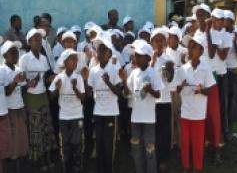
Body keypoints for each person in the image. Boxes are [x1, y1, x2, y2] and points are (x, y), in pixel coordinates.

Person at [119, 40, 164, 173]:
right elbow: (127, 93)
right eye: (135, 56)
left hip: (149, 119)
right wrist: (123, 80)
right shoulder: (134, 73)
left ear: (147, 58)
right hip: (135, 118)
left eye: (139, 56)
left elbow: (158, 95)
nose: (136, 58)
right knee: (136, 148)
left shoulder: (153, 73)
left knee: (149, 149)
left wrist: (150, 90)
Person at [176, 34, 216, 173]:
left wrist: (202, 90)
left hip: (199, 113)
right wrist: (181, 86)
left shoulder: (206, 68)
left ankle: (197, 167)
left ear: (201, 51)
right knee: (185, 141)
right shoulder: (182, 69)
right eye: (189, 47)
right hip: (186, 111)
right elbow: (177, 89)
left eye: (194, 47)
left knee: (198, 142)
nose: (191, 50)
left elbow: (210, 91)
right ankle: (186, 166)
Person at [19, 28, 57, 171]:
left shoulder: (43, 58)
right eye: (35, 40)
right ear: (29, 42)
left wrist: (50, 79)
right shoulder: (24, 59)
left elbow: (46, 79)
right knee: (36, 131)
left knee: (47, 128)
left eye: (40, 40)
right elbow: (20, 81)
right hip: (32, 98)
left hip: (43, 97)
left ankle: (48, 158)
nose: (39, 42)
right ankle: (40, 160)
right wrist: (28, 83)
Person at [193, 3, 223, 162]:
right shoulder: (196, 33)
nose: (200, 17)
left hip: (210, 77)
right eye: (198, 15)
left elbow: (211, 54)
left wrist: (209, 32)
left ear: (208, 16)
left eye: (203, 14)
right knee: (200, 113)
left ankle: (217, 146)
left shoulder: (215, 32)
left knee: (213, 114)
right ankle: (204, 143)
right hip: (197, 76)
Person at [87, 36, 121, 173]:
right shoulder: (93, 71)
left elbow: (119, 92)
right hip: (98, 112)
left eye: (103, 50)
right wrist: (85, 81)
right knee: (99, 144)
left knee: (108, 146)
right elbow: (89, 93)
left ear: (109, 53)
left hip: (110, 113)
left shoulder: (114, 69)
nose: (100, 53)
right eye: (98, 50)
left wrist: (108, 83)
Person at [49, 49, 85, 173]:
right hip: (64, 117)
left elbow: (83, 98)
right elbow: (51, 96)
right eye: (73, 59)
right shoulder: (59, 77)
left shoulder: (78, 77)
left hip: (77, 116)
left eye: (76, 59)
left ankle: (77, 169)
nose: (76, 62)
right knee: (65, 146)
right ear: (65, 62)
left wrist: (75, 88)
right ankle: (67, 169)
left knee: (77, 145)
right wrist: (58, 88)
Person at [150, 28, 177, 172]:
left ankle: (162, 158)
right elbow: (145, 77)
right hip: (151, 102)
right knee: (152, 131)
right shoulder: (148, 58)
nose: (159, 43)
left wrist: (170, 70)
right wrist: (153, 61)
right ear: (152, 43)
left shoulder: (169, 59)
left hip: (164, 100)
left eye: (161, 41)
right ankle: (152, 156)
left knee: (164, 131)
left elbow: (170, 79)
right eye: (156, 40)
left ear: (165, 43)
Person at [1, 41, 28, 172]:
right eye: (12, 52)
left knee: (21, 139)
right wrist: (15, 82)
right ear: (5, 55)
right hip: (10, 110)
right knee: (13, 140)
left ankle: (20, 166)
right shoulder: (2, 71)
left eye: (17, 52)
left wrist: (29, 83)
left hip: (20, 108)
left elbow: (22, 88)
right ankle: (13, 167)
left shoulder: (18, 69)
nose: (16, 55)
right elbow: (6, 92)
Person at [211, 8, 233, 142]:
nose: (218, 22)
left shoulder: (226, 36)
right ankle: (212, 132)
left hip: (221, 74)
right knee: (211, 106)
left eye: (220, 20)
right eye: (216, 19)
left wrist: (216, 45)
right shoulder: (208, 33)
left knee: (222, 104)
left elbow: (223, 56)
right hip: (209, 74)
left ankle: (224, 131)